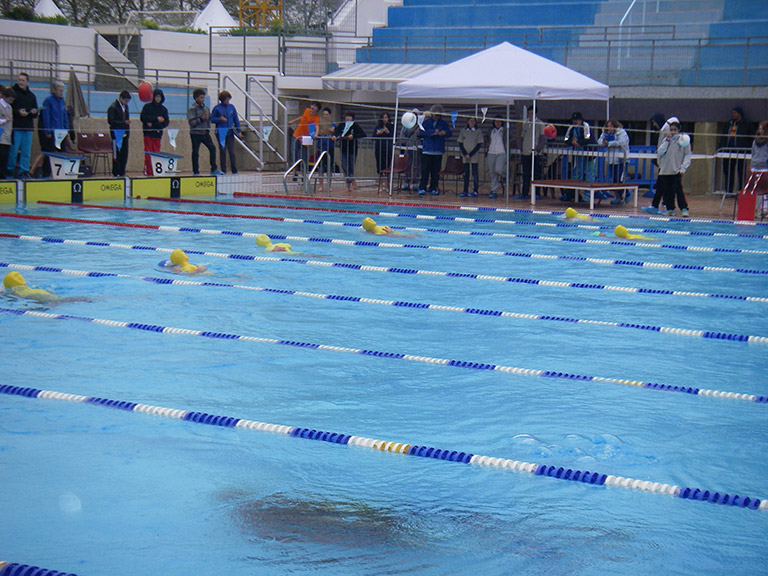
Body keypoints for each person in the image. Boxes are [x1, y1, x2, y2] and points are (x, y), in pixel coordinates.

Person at [642, 119, 691, 217]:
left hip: (676, 170)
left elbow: (687, 155)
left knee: (678, 191)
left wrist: (683, 168)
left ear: (679, 130)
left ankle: (684, 208)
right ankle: (670, 208)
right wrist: (667, 142)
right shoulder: (666, 140)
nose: (672, 132)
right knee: (666, 192)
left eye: (674, 130)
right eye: (671, 130)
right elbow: (660, 152)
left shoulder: (684, 141)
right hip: (665, 170)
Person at [6, 72, 38, 179]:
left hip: (28, 127)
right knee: (13, 150)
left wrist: (33, 112)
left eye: (23, 80)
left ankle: (24, 171)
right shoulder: (13, 93)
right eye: (19, 80)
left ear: (27, 82)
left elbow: (35, 112)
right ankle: (10, 170)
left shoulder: (32, 96)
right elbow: (9, 109)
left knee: (26, 152)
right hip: (16, 127)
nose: (20, 82)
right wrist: (18, 112)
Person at [38, 80, 69, 178]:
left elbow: (64, 116)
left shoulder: (62, 101)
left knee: (62, 153)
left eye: (62, 91)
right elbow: (46, 116)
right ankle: (46, 173)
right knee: (50, 153)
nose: (61, 92)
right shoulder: (48, 100)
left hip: (61, 132)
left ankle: (60, 173)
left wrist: (66, 129)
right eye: (60, 91)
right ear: (54, 91)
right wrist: (47, 131)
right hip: (52, 132)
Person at [418, 105, 452, 196]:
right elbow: (421, 132)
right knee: (425, 170)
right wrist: (433, 132)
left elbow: (449, 133)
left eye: (439, 114)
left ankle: (433, 187)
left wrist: (444, 133)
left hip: (438, 150)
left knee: (436, 171)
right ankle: (422, 187)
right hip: (427, 150)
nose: (437, 116)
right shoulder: (426, 122)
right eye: (436, 114)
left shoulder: (443, 123)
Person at [187, 88, 222, 176]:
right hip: (195, 133)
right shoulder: (192, 109)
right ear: (196, 98)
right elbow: (191, 122)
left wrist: (218, 119)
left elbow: (210, 119)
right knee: (195, 152)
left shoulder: (206, 108)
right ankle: (195, 171)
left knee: (212, 148)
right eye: (201, 98)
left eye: (203, 98)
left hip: (205, 133)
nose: (203, 99)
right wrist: (201, 119)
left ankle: (213, 168)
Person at [598, 119, 630, 204]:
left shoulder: (622, 132)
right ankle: (619, 198)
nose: (609, 128)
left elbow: (622, 143)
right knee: (614, 180)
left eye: (611, 126)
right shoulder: (605, 133)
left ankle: (627, 193)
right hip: (611, 159)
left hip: (621, 160)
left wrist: (609, 143)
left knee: (620, 178)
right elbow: (599, 141)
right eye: (607, 126)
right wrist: (604, 142)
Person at [719, 105, 751, 194]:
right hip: (728, 151)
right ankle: (729, 191)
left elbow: (750, 137)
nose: (732, 114)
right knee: (728, 171)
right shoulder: (728, 124)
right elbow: (723, 136)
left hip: (741, 151)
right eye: (732, 113)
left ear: (739, 114)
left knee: (741, 171)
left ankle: (741, 191)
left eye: (734, 113)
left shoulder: (746, 124)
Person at [516, 107, 546, 199]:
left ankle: (537, 193)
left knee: (537, 174)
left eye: (532, 113)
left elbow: (543, 139)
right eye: (529, 113)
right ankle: (525, 193)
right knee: (526, 174)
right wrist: (521, 148)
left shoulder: (540, 124)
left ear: (536, 114)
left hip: (535, 154)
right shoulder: (526, 124)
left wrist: (537, 150)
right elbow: (522, 137)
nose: (530, 115)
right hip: (526, 153)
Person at [562, 111, 592, 201]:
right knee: (577, 174)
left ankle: (588, 195)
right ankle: (574, 194)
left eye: (577, 120)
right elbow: (566, 139)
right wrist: (572, 142)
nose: (575, 122)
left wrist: (578, 143)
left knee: (588, 173)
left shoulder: (586, 126)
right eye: (574, 120)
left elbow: (588, 138)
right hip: (577, 154)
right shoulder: (571, 128)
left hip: (588, 154)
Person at [333, 111, 366, 193]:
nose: (348, 118)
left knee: (351, 167)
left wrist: (353, 136)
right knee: (344, 166)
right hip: (343, 148)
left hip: (352, 149)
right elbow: (336, 132)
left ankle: (348, 185)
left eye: (350, 116)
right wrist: (335, 136)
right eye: (347, 116)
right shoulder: (342, 125)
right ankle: (353, 181)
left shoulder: (355, 126)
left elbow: (363, 134)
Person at [139, 88, 169, 177]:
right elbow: (143, 118)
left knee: (156, 153)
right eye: (156, 96)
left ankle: (155, 172)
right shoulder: (147, 107)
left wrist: (154, 124)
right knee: (148, 154)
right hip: (148, 134)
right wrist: (156, 119)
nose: (158, 99)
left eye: (160, 97)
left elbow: (165, 122)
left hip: (157, 135)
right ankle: (148, 172)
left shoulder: (164, 109)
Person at [211, 90, 242, 174]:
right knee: (222, 151)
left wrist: (239, 131)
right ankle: (223, 169)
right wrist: (219, 119)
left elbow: (236, 119)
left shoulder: (231, 107)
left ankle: (234, 169)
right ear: (222, 100)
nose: (227, 101)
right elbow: (212, 119)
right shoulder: (217, 108)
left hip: (230, 132)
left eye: (228, 99)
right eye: (226, 99)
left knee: (232, 151)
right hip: (221, 132)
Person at [107, 90, 132, 178]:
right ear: (121, 98)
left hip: (124, 133)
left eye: (128, 101)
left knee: (124, 153)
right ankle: (116, 172)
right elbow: (111, 121)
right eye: (125, 101)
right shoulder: (113, 107)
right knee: (116, 153)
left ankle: (122, 171)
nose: (126, 103)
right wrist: (123, 122)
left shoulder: (126, 107)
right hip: (116, 133)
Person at [289, 101, 320, 168]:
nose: (313, 107)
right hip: (297, 135)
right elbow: (302, 117)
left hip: (306, 137)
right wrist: (293, 121)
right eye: (312, 105)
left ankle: (304, 173)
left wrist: (316, 134)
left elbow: (317, 126)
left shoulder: (316, 117)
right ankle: (295, 172)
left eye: (315, 106)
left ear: (317, 110)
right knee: (293, 154)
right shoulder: (306, 110)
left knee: (304, 156)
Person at [457, 116, 483, 197]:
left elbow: (479, 144)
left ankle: (475, 190)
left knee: (474, 173)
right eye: (470, 121)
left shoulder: (478, 131)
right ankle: (465, 190)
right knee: (466, 173)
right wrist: (465, 154)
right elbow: (460, 143)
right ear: (467, 122)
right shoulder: (463, 131)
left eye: (473, 121)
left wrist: (471, 154)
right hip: (465, 156)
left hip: (474, 155)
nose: (472, 123)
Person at [398, 108, 421, 192]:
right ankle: (406, 181)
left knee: (416, 166)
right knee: (407, 165)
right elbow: (402, 135)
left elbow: (418, 135)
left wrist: (412, 141)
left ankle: (416, 182)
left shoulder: (419, 124)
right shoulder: (406, 125)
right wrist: (404, 142)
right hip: (407, 148)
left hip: (416, 148)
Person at [315, 107, 336, 192]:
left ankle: (329, 185)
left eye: (327, 114)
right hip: (321, 146)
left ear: (330, 115)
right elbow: (315, 133)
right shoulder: (319, 123)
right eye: (324, 114)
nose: (325, 116)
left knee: (329, 167)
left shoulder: (333, 123)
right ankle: (320, 185)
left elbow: (337, 132)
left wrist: (332, 131)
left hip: (330, 147)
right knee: (321, 167)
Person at [486, 116, 505, 199]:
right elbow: (486, 138)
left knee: (499, 169)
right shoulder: (491, 130)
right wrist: (487, 143)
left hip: (501, 152)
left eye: (499, 122)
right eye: (496, 122)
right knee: (492, 172)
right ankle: (494, 190)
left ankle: (506, 176)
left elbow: (511, 138)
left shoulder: (505, 130)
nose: (497, 123)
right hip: (491, 152)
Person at [0, 88, 14, 180]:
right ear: (4, 97)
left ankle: (3, 176)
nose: (11, 102)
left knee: (5, 159)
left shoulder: (10, 107)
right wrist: (5, 120)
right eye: (10, 100)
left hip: (7, 137)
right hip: (1, 137)